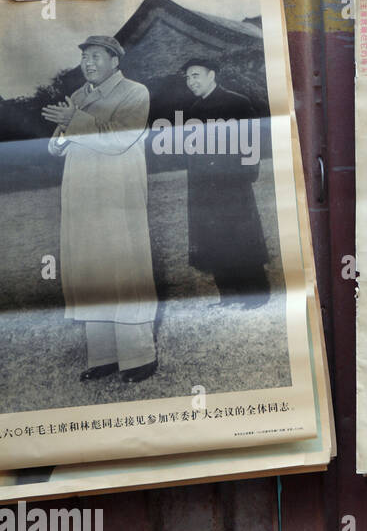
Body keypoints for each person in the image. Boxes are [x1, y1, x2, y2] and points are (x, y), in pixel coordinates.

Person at [42, 35, 157, 383]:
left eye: (96, 56)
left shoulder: (136, 93)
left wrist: (75, 120)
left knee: (125, 269)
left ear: (115, 61)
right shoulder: (78, 96)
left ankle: (139, 356)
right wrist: (60, 135)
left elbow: (119, 140)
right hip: (80, 196)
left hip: (117, 197)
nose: (88, 63)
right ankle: (104, 356)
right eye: (84, 58)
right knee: (91, 271)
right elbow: (55, 146)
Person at [178, 57, 270, 309]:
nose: (191, 81)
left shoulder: (237, 102)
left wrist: (246, 173)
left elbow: (252, 140)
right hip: (204, 186)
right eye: (187, 77)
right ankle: (228, 295)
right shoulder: (194, 110)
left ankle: (256, 296)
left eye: (196, 75)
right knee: (213, 237)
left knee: (240, 236)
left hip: (233, 183)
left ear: (212, 75)